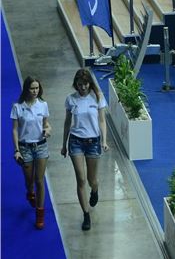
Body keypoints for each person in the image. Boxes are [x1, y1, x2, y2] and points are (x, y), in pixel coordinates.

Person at [61, 68, 109, 231]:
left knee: (91, 179)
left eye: (85, 84)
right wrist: (64, 144)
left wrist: (104, 140)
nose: (82, 87)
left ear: (90, 83)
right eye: (80, 84)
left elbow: (102, 120)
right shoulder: (71, 99)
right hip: (75, 142)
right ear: (76, 84)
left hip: (93, 142)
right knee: (81, 179)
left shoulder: (97, 97)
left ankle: (95, 190)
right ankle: (86, 214)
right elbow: (67, 122)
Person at [11, 76, 51, 229]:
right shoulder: (17, 107)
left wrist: (47, 130)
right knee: (29, 180)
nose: (35, 91)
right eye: (32, 88)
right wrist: (17, 150)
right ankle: (30, 192)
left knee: (39, 180)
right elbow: (15, 130)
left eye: (37, 88)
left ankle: (40, 215)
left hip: (41, 147)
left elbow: (46, 124)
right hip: (25, 148)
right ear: (26, 89)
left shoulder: (43, 105)